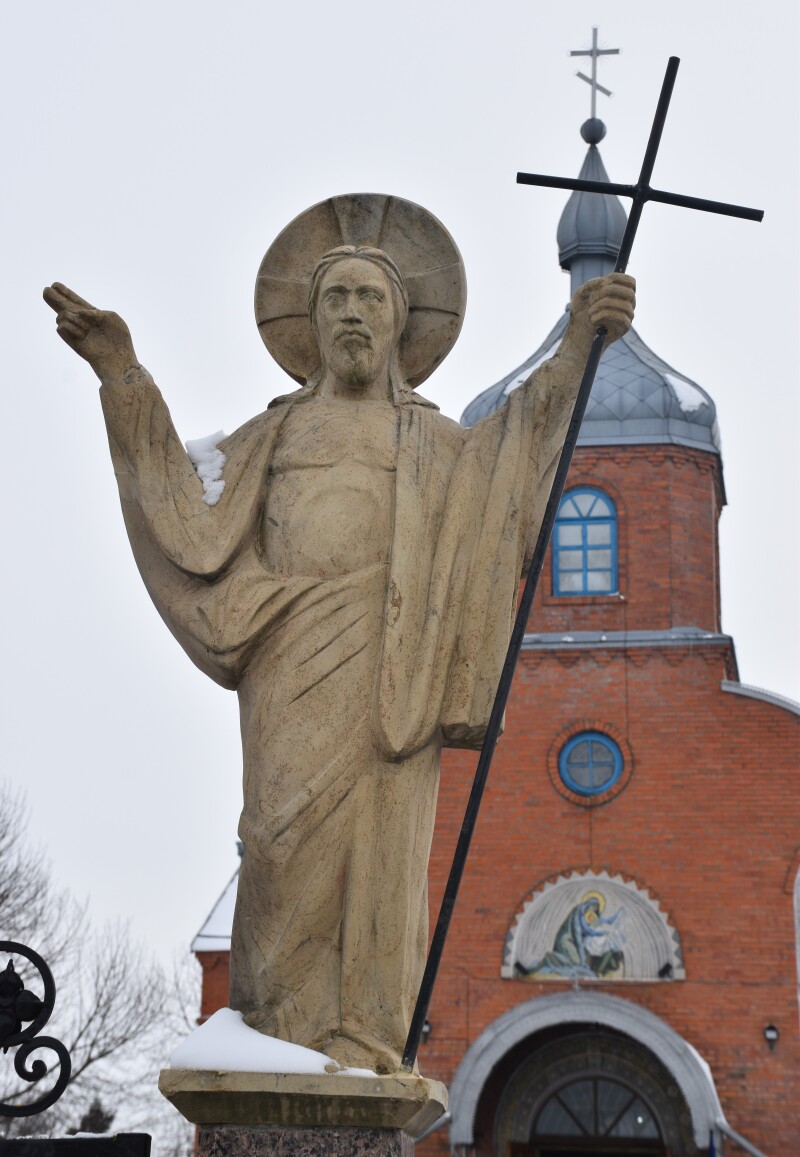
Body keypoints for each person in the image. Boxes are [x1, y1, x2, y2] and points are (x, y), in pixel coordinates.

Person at [44, 210, 635, 1074]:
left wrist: (579, 346)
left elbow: (510, 454)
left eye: (370, 297)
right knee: (277, 846)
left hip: (400, 667)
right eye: (336, 299)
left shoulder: (433, 442)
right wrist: (122, 374)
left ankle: (365, 1038)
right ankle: (276, 1041)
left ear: (400, 322)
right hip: (291, 658)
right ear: (312, 324)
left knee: (388, 859)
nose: (353, 313)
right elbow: (186, 512)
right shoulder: (278, 432)